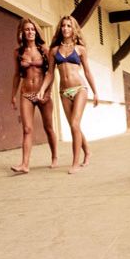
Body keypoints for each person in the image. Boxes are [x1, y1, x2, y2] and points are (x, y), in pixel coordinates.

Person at [37, 15, 99, 174]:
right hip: (64, 92)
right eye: (63, 26)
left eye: (69, 26)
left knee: (74, 124)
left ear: (74, 29)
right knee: (75, 125)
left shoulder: (80, 49)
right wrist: (42, 90)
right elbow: (50, 74)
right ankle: (88, 152)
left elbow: (87, 71)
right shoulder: (54, 50)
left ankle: (75, 163)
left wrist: (96, 92)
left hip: (80, 89)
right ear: (60, 28)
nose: (65, 28)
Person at [11, 18, 58, 174]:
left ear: (36, 32)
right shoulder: (18, 52)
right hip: (26, 93)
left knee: (48, 127)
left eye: (32, 29)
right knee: (27, 129)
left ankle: (55, 157)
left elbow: (50, 72)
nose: (30, 32)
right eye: (27, 30)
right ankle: (25, 164)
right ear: (22, 33)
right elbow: (17, 75)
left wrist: (48, 92)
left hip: (42, 93)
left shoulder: (44, 49)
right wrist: (12, 95)